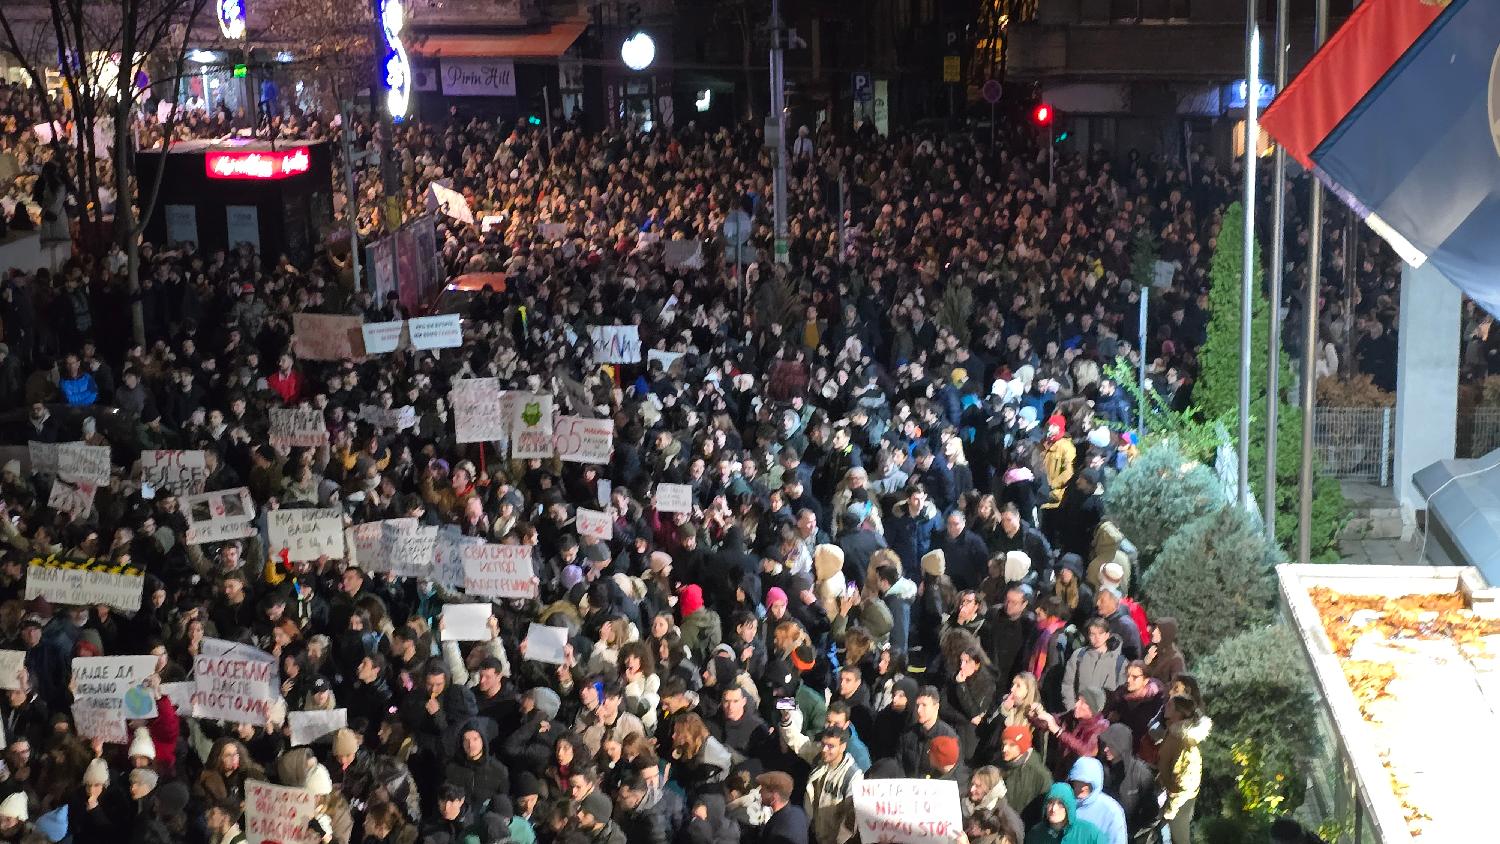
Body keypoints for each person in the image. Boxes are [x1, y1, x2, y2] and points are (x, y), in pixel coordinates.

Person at [1157, 695, 1212, 844]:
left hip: (1180, 802)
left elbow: (1185, 782)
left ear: (1178, 713)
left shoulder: (1185, 744)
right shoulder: (1173, 732)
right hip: (1168, 795)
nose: (1165, 707)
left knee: (1179, 839)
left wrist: (1170, 809)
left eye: (1169, 706)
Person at [804, 727, 862, 844]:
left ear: (843, 747)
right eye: (823, 744)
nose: (824, 750)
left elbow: (851, 817)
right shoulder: (819, 764)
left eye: (831, 746)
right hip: (816, 835)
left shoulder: (852, 776)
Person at [1065, 758, 1127, 844]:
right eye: (1077, 781)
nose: (1082, 787)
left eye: (1087, 783)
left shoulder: (1111, 811)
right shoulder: (1063, 803)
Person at [1024, 783, 1108, 844]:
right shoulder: (1035, 835)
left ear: (1069, 807)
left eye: (1060, 804)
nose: (1053, 809)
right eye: (1050, 803)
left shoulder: (1089, 834)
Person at [757, 771, 810, 844]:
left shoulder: (778, 830)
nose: (759, 792)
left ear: (774, 797)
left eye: (762, 789)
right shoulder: (799, 812)